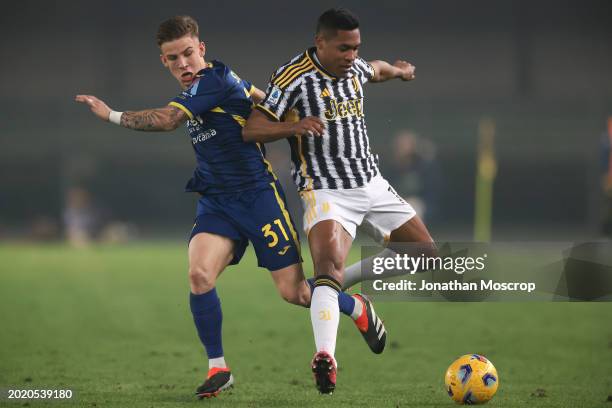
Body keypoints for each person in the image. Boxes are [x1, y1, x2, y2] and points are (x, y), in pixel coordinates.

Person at [76, 15, 384, 399]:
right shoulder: (227, 77)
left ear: (200, 49)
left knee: (297, 294)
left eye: (188, 53)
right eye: (174, 58)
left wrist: (111, 115)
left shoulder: (212, 81)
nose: (184, 64)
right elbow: (258, 96)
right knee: (199, 275)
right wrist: (284, 112)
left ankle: (355, 307)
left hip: (259, 198)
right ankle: (218, 367)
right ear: (165, 62)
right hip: (217, 202)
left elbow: (169, 120)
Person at [243, 7, 436, 394]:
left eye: (356, 48)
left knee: (425, 255)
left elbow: (374, 69)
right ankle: (326, 356)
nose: (352, 56)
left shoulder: (355, 68)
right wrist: (293, 126)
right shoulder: (293, 76)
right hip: (326, 190)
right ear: (321, 42)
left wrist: (399, 71)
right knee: (328, 265)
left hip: (372, 182)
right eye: (344, 48)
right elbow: (253, 129)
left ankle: (343, 293)